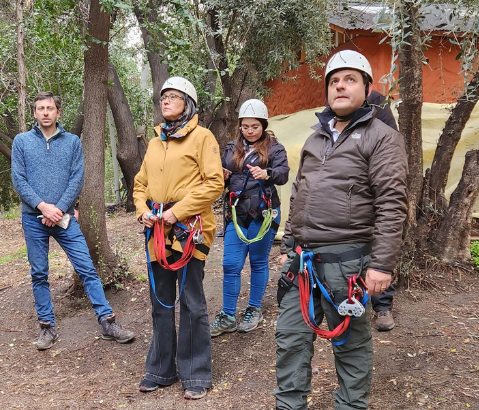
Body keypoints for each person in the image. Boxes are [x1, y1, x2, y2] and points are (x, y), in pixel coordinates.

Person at [274, 50, 407, 410]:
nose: (340, 86)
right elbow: (299, 192)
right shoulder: (316, 137)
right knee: (290, 340)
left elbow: (392, 204)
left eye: (349, 80)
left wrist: (381, 265)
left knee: (350, 346)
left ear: (366, 87)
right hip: (302, 262)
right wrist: (288, 244)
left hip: (348, 264)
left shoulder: (382, 138)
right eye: (334, 81)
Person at [11, 91, 135, 351]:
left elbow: (77, 179)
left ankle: (108, 322)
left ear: (58, 112)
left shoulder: (72, 143)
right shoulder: (21, 142)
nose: (45, 112)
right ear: (34, 113)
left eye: (50, 108)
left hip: (64, 217)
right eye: (40, 108)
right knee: (39, 274)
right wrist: (44, 207)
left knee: (87, 268)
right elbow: (19, 180)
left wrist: (58, 209)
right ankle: (47, 328)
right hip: (33, 218)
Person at [133, 77, 224, 400]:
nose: (166, 102)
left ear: (188, 102)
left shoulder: (202, 138)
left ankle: (195, 373)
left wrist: (178, 212)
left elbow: (214, 184)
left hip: (189, 231)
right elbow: (140, 183)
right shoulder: (157, 141)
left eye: (173, 97)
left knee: (191, 302)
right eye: (163, 98)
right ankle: (161, 369)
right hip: (157, 231)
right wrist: (143, 209)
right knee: (160, 303)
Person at [210, 99, 289, 337]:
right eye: (245, 126)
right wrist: (222, 175)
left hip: (263, 213)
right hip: (237, 212)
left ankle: (254, 309)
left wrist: (267, 173)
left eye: (255, 126)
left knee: (258, 261)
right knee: (230, 264)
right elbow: (222, 176)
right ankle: (227, 315)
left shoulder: (275, 148)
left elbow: (283, 174)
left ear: (263, 125)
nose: (250, 130)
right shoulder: (231, 148)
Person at [366, 89, 398, 332]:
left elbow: (390, 143)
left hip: (374, 186)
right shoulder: (335, 107)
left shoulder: (378, 102)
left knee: (378, 245)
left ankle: (383, 306)